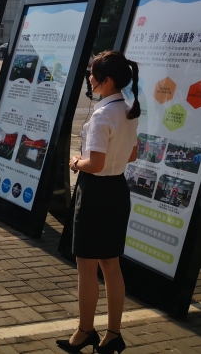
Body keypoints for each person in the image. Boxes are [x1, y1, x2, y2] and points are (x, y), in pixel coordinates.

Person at [57, 51, 140, 354]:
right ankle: (113, 334)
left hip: (95, 194)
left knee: (87, 268)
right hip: (118, 190)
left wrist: (75, 162)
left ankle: (85, 331)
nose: (89, 78)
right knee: (112, 267)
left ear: (105, 80)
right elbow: (133, 154)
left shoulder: (102, 115)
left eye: (92, 74)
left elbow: (95, 163)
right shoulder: (128, 110)